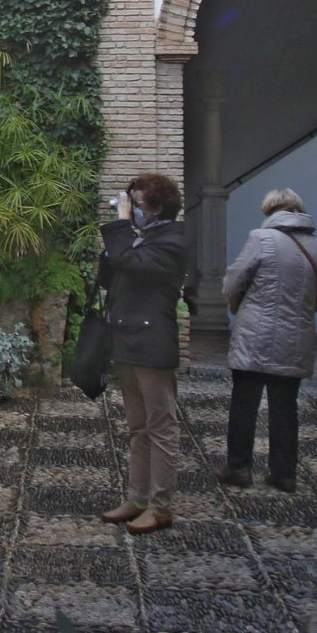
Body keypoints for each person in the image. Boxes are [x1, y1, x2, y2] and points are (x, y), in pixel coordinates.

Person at [215, 188, 317, 493]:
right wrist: (303, 309)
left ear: (269, 210)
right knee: (285, 407)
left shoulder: (261, 239)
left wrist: (238, 307)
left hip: (254, 333)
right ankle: (284, 473)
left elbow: (234, 280)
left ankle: (239, 468)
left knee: (244, 403)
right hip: (295, 336)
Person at [98, 173, 188, 534]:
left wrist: (121, 226)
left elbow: (135, 266)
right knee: (137, 427)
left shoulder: (174, 241)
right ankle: (136, 497)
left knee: (160, 426)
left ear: (157, 210)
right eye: (130, 202)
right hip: (127, 339)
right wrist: (113, 250)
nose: (131, 210)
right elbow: (112, 277)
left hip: (152, 344)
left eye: (137, 204)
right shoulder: (144, 239)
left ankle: (160, 505)